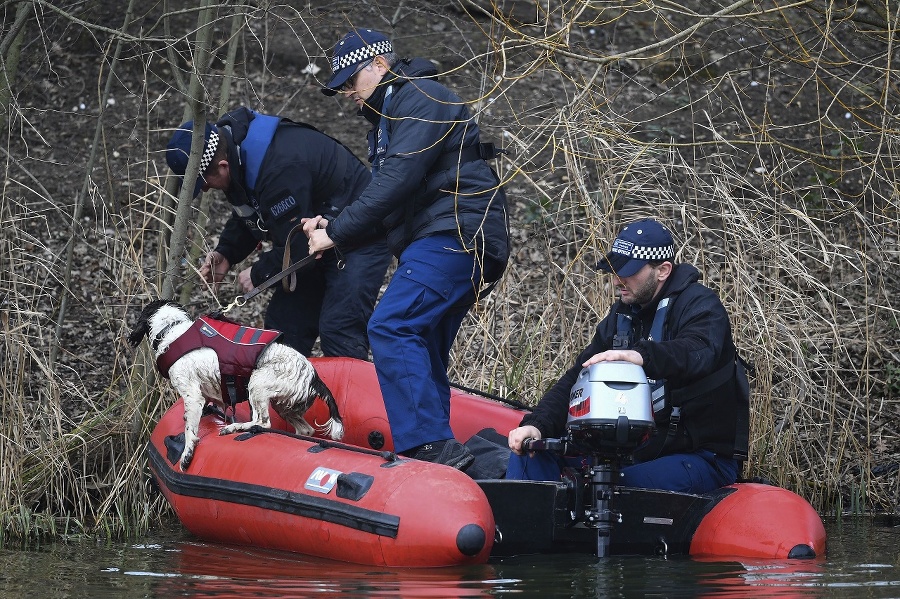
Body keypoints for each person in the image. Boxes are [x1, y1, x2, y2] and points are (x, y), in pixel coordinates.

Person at [306, 28, 510, 470]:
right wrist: (335, 226)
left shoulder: (421, 99)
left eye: (350, 81)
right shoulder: (389, 121)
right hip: (447, 236)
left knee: (391, 326)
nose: (346, 93)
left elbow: (394, 184)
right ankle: (441, 458)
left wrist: (337, 233)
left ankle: (430, 446)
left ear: (378, 66)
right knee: (423, 340)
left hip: (456, 233)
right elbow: (388, 204)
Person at [506, 219, 749, 493]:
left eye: (629, 271)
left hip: (700, 458)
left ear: (662, 271)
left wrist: (641, 355)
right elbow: (577, 378)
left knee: (613, 489)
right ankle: (527, 531)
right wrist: (537, 426)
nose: (616, 280)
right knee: (533, 455)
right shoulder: (621, 314)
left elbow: (699, 351)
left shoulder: (700, 305)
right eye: (615, 270)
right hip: (629, 450)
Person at [165, 106, 392, 359]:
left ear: (223, 166)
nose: (206, 190)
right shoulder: (236, 151)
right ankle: (291, 396)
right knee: (282, 331)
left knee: (339, 331)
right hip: (311, 238)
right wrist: (227, 253)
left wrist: (259, 273)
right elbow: (249, 212)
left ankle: (352, 396)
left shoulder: (277, 169)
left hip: (358, 238)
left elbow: (296, 248)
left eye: (204, 182)